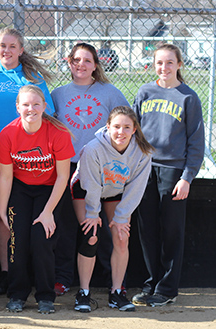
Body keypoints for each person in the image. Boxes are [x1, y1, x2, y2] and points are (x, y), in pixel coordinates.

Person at [0, 27, 55, 296]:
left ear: (21, 49)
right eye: (2, 45)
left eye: (12, 46)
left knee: (25, 219)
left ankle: (28, 273)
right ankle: (7, 273)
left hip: (26, 160)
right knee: (2, 217)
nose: (6, 51)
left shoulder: (32, 77)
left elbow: (48, 115)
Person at [50, 42, 130, 296]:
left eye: (87, 60)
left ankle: (111, 279)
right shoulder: (58, 94)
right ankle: (63, 277)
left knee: (106, 226)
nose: (81, 65)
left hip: (103, 166)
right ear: (69, 63)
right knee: (67, 225)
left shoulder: (109, 92)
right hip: (68, 165)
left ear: (95, 65)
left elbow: (127, 121)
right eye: (76, 60)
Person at [132, 43, 205, 307]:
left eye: (170, 63)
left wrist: (187, 177)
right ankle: (151, 283)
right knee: (147, 229)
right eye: (159, 63)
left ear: (179, 65)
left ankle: (167, 289)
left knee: (171, 231)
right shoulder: (145, 92)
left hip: (173, 171)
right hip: (144, 168)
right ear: (153, 65)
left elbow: (196, 142)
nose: (164, 68)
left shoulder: (188, 97)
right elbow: (133, 131)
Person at [0, 85, 74, 314]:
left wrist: (48, 212)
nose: (31, 109)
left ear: (44, 107)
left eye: (36, 104)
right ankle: (17, 294)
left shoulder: (58, 133)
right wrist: (2, 212)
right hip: (20, 189)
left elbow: (62, 177)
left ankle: (45, 296)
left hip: (49, 190)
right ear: (18, 107)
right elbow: (7, 177)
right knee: (17, 243)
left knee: (42, 241)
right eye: (26, 104)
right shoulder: (8, 133)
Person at [70, 106, 153, 313]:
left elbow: (136, 187)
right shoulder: (93, 148)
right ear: (107, 127)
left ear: (134, 129)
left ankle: (117, 292)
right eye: (116, 127)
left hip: (116, 190)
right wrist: (92, 214)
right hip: (86, 190)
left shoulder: (142, 152)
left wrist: (122, 216)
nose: (121, 132)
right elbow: (91, 184)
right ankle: (84, 292)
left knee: (121, 237)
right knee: (91, 236)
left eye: (127, 127)